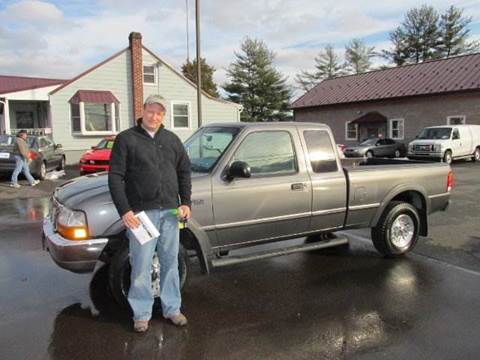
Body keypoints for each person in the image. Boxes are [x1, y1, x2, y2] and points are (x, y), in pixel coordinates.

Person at [108, 95, 192, 332]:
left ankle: (172, 309)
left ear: (163, 115)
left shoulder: (172, 140)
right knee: (141, 265)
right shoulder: (126, 139)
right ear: (142, 110)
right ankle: (141, 314)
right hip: (141, 216)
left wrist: (185, 203)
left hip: (170, 214)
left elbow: (184, 172)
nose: (154, 116)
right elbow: (115, 177)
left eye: (159, 113)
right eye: (151, 111)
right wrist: (125, 210)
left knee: (170, 263)